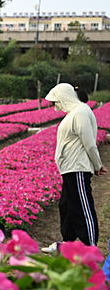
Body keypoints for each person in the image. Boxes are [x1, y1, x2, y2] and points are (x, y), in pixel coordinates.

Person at [41, 83, 104, 254]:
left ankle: (91, 246)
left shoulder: (80, 112)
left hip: (77, 168)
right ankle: (66, 244)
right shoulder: (74, 113)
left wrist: (97, 165)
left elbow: (89, 143)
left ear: (64, 98)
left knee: (82, 207)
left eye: (56, 101)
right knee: (67, 206)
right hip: (69, 169)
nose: (55, 105)